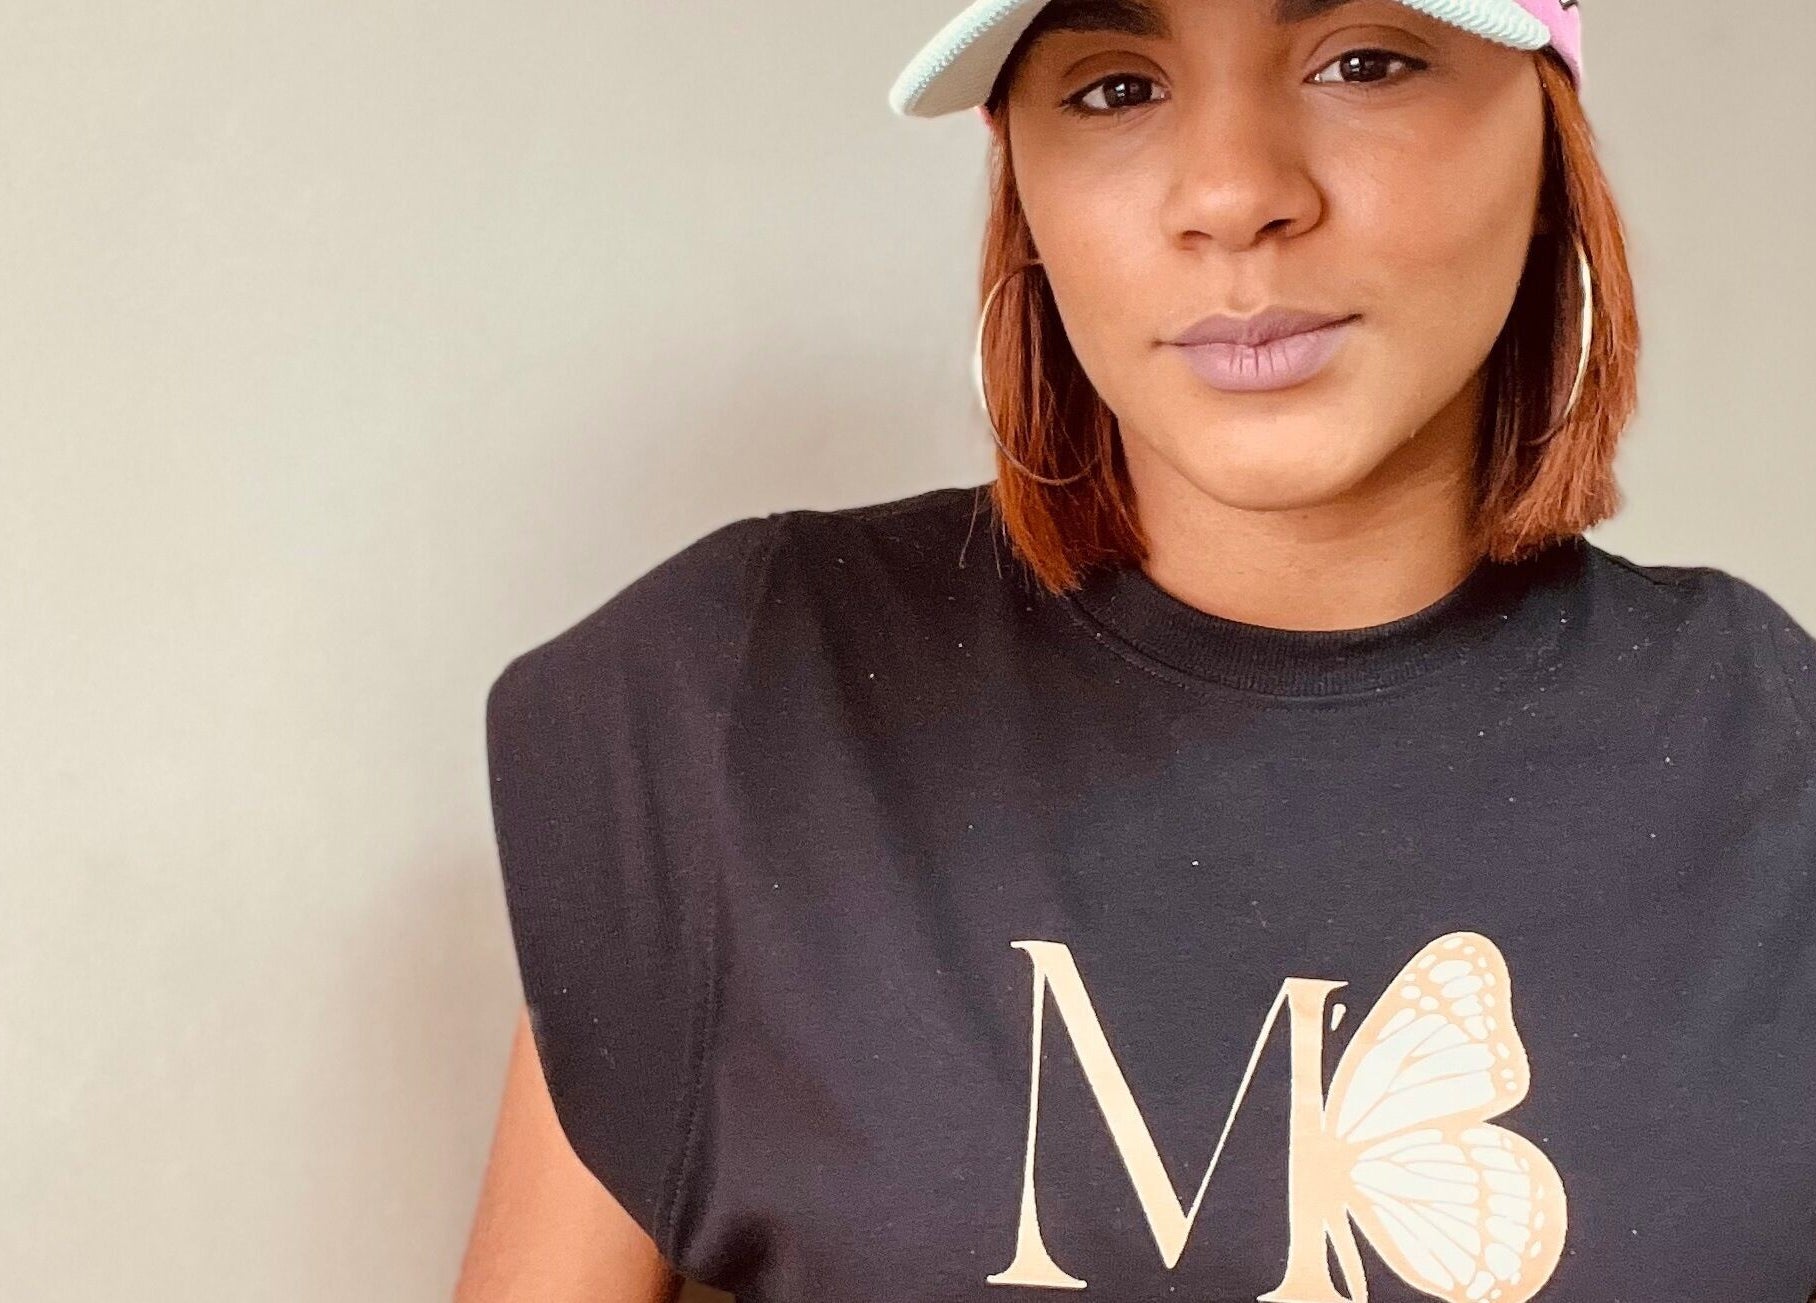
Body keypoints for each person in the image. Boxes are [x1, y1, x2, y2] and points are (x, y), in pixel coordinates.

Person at [457, 1, 1816, 1299]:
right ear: (1020, 179)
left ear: (1547, 116)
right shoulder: (745, 700)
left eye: (1362, 62)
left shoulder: (1774, 771)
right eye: (1115, 88)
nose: (1232, 195)